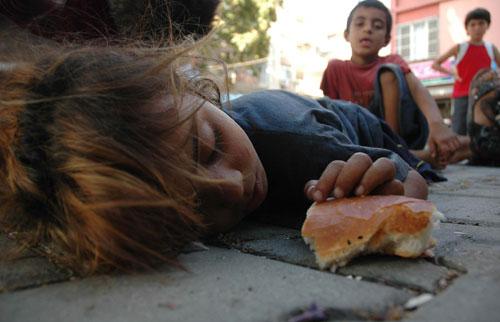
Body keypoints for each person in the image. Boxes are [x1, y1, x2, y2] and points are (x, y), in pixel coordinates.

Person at [0, 46, 428, 275]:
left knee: (418, 155)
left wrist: (386, 191)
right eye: (192, 211)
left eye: (207, 146)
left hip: (356, 121)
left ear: (194, 90)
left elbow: (407, 184)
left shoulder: (298, 145)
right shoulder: (220, 170)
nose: (232, 188)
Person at [320, 0, 462, 167]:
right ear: (346, 34)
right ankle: (416, 156)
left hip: (398, 136)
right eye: (360, 24)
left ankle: (396, 150)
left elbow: (417, 88)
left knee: (389, 72)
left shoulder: (393, 61)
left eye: (378, 26)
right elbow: (331, 113)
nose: (368, 29)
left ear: (387, 39)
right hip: (358, 137)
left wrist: (437, 124)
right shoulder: (335, 68)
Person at [432, 7, 500, 136]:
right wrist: (452, 73)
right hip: (461, 95)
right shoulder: (460, 48)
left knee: (481, 132)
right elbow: (436, 64)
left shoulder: (491, 48)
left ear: (487, 25)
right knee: (459, 130)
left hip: (482, 96)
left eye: (481, 23)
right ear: (467, 29)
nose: (477, 28)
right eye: (472, 24)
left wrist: (494, 75)